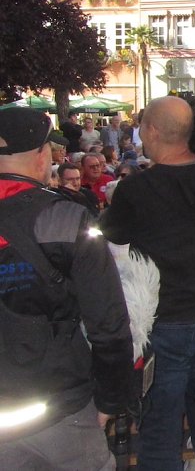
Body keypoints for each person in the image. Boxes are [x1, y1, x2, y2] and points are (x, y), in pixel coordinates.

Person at [100, 95, 195, 470]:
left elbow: (110, 243)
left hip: (167, 324)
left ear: (150, 130)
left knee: (160, 428)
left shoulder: (137, 189)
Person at [0, 108, 133, 470]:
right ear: (43, 155)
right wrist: (111, 399)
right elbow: (108, 322)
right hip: (60, 408)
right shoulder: (66, 218)